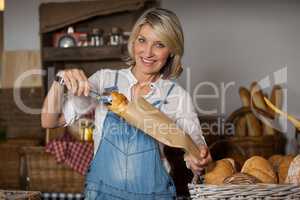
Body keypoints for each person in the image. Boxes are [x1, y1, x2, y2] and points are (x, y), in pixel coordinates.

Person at [41, 8, 212, 200]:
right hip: (101, 194)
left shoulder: (176, 96)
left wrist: (198, 158)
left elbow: (196, 146)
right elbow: (50, 121)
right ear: (134, 41)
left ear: (171, 50)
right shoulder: (104, 80)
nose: (147, 52)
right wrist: (59, 80)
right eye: (142, 40)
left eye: (159, 44)